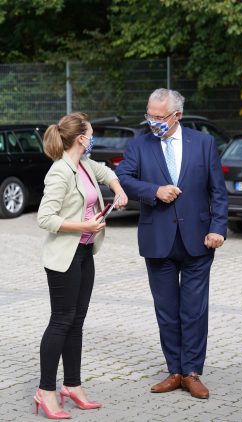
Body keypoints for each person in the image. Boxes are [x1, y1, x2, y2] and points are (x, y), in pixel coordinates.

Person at [116, 89, 228, 399]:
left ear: (176, 115)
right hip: (158, 241)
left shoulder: (204, 143)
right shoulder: (139, 144)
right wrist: (154, 191)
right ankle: (174, 370)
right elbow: (122, 178)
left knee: (193, 311)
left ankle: (192, 372)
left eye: (159, 117)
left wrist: (218, 228)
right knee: (167, 311)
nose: (152, 121)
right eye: (149, 114)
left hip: (198, 241)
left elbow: (217, 191)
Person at [35, 112, 127, 419]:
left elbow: (104, 171)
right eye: (91, 134)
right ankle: (45, 391)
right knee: (62, 320)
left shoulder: (85, 165)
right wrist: (84, 225)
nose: (93, 139)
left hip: (85, 254)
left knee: (77, 320)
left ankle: (72, 385)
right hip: (64, 257)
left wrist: (117, 188)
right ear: (81, 139)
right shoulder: (59, 172)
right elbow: (45, 219)